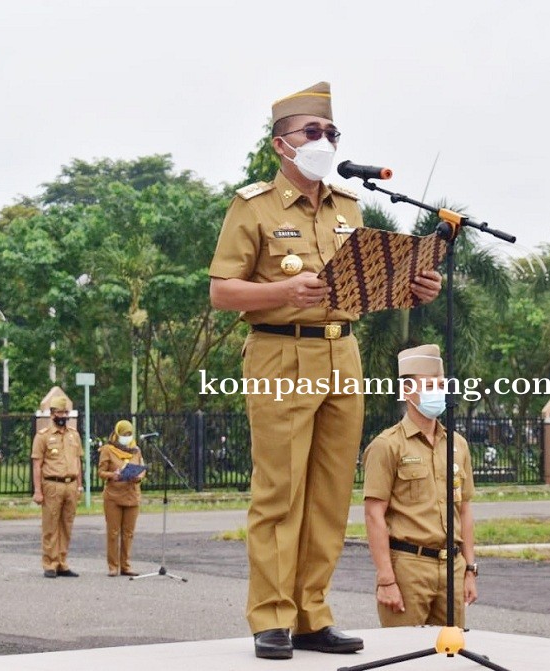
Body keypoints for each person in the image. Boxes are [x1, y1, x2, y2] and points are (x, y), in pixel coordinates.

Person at [208, 81, 442, 659]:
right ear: (280, 144)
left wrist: (413, 288)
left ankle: (312, 614)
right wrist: (283, 291)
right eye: (311, 131)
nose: (324, 141)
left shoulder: (348, 205)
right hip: (280, 352)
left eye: (331, 132)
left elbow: (361, 286)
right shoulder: (253, 206)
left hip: (343, 352)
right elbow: (221, 291)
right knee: (280, 491)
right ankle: (272, 616)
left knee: (331, 493)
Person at [362, 344, 477, 627]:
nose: (437, 392)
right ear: (406, 391)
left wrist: (470, 569)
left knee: (452, 648)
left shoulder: (457, 445)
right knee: (406, 649)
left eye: (441, 385)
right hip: (409, 567)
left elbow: (464, 510)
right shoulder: (387, 446)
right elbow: (374, 515)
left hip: (452, 568)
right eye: (428, 386)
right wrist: (386, 579)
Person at [31, 394, 83, 578]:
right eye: (60, 412)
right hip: (52, 484)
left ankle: (62, 562)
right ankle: (50, 563)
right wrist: (37, 491)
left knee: (67, 525)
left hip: (71, 484)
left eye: (65, 412)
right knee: (51, 526)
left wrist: (79, 485)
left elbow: (78, 461)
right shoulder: (43, 436)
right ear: (52, 414)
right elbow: (37, 465)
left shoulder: (74, 435)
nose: (63, 416)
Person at [98, 420, 146, 577]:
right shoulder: (108, 449)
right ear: (117, 433)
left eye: (129, 434)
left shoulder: (136, 449)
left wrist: (139, 476)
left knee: (128, 533)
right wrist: (113, 475)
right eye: (124, 434)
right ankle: (113, 566)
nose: (127, 437)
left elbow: (142, 468)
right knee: (113, 532)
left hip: (132, 494)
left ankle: (126, 565)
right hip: (114, 496)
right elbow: (101, 472)